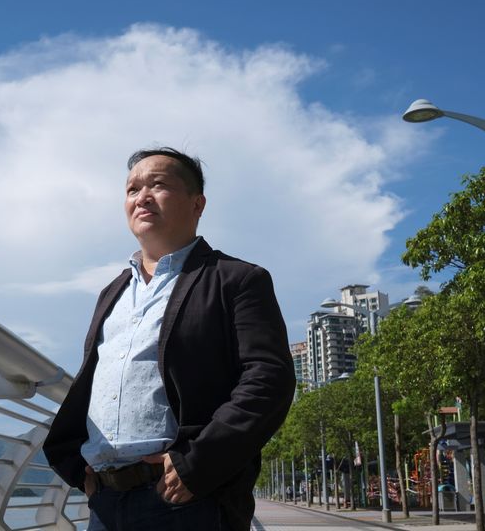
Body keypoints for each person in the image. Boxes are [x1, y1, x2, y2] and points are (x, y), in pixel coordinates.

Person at [43, 147, 296, 530]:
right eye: (132, 189)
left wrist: (199, 463)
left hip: (184, 500)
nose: (142, 197)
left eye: (158, 185)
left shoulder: (237, 279)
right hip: (105, 502)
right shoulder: (112, 293)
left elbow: (268, 380)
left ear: (198, 204)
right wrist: (79, 468)